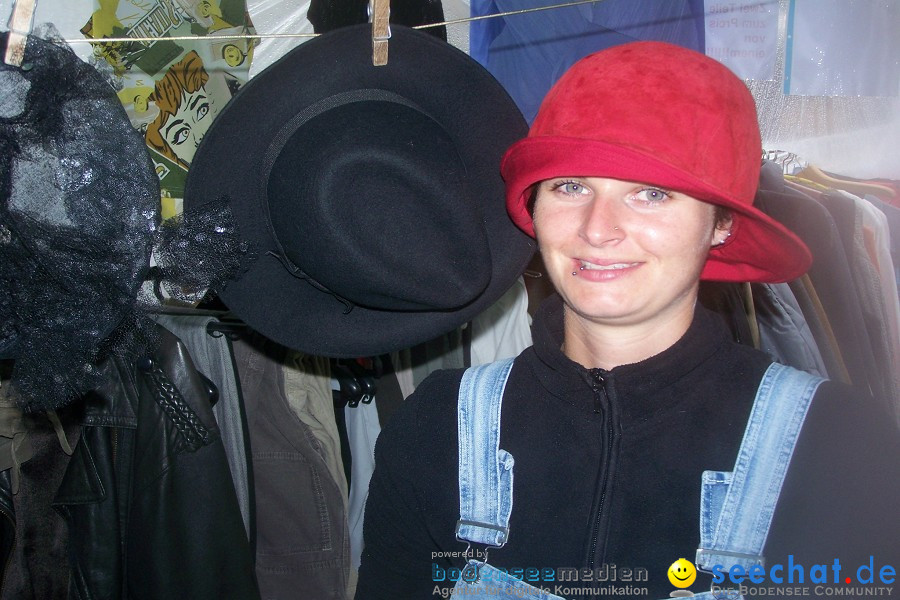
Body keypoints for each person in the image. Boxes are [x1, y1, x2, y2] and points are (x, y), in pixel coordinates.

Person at [355, 41, 900, 599]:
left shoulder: (841, 448)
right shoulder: (435, 429)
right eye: (572, 186)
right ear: (535, 207)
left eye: (650, 193)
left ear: (721, 224)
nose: (598, 228)